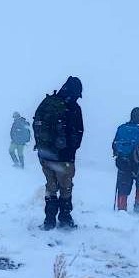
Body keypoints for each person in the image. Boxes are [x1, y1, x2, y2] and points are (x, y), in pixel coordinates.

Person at [33, 76, 84, 230]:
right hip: (64, 158)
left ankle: (49, 220)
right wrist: (70, 150)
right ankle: (65, 217)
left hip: (44, 155)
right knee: (66, 187)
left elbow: (37, 124)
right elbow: (79, 132)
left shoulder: (48, 102)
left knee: (51, 186)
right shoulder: (73, 107)